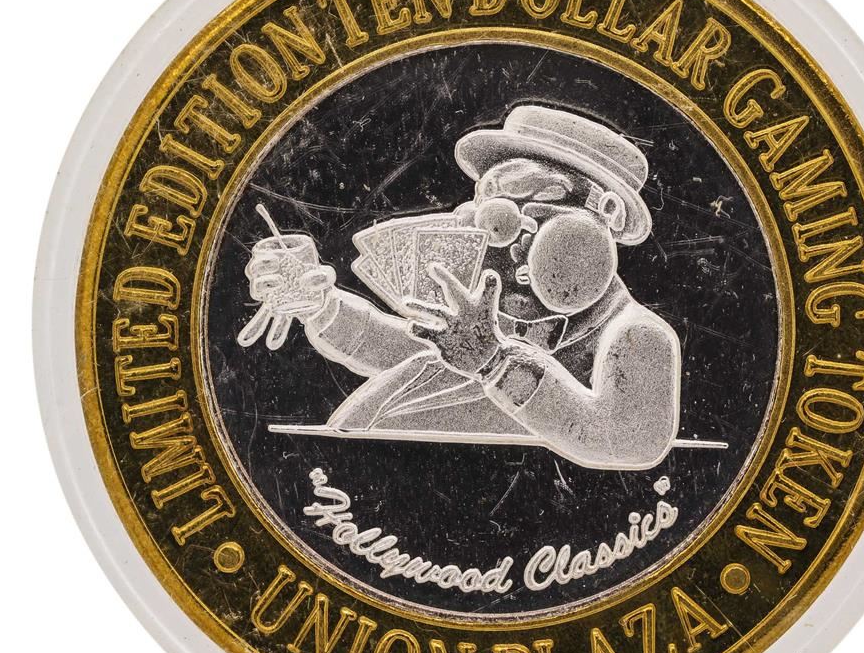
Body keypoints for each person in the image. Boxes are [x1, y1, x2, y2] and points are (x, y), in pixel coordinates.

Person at [242, 105, 682, 471]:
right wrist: (321, 306)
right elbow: (404, 349)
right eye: (491, 209)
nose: (505, 239)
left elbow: (629, 442)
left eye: (533, 204)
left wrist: (495, 363)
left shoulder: (638, 337)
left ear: (605, 214)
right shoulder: (491, 314)